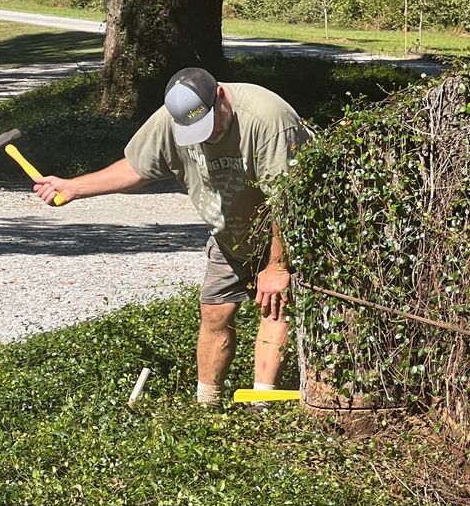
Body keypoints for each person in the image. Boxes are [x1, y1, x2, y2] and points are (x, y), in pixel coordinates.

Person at [33, 68, 311, 406]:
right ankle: (206, 404)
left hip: (282, 231)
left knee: (275, 306)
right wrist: (73, 187)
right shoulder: (174, 117)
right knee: (214, 313)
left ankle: (262, 405)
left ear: (220, 96)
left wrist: (279, 268)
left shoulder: (268, 119)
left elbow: (289, 201)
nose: (205, 136)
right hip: (229, 235)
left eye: (209, 124)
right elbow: (137, 168)